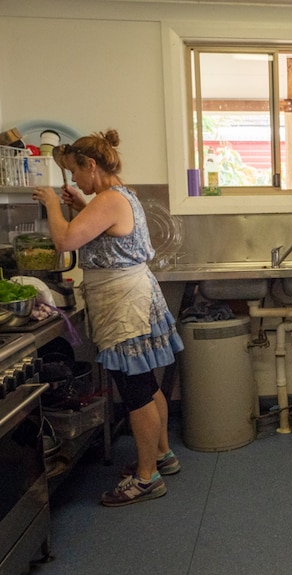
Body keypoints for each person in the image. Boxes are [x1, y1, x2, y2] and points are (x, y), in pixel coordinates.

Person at [32, 129, 184, 507]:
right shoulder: (116, 196)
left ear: (92, 165)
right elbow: (105, 234)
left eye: (75, 172)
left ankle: (146, 478)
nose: (74, 180)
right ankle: (162, 453)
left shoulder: (108, 199)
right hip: (133, 296)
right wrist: (82, 204)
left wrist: (53, 204)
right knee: (147, 385)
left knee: (135, 393)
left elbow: (66, 241)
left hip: (123, 304)